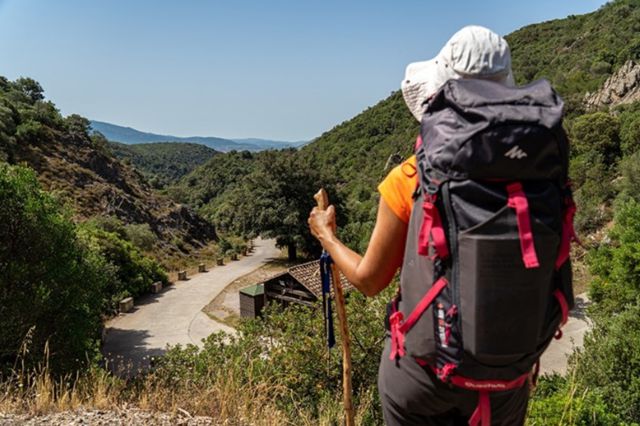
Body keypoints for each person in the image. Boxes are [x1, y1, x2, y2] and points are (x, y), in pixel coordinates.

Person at [308, 26, 529, 425]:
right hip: (506, 378)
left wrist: (326, 233)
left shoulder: (411, 178)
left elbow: (369, 281)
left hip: (423, 374)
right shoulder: (534, 176)